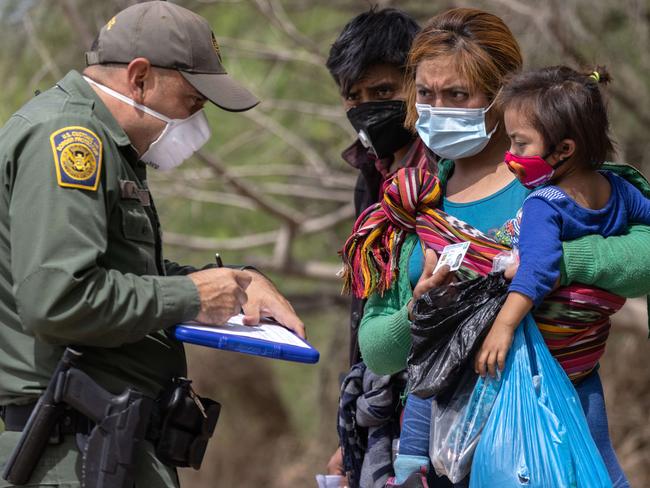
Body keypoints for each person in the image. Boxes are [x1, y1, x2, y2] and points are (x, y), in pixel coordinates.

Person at [342, 8, 650, 488]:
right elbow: (378, 350)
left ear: (500, 95)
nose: (437, 109)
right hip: (449, 453)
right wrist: (422, 310)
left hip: (561, 437)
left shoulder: (555, 180)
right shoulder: (412, 203)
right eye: (425, 94)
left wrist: (560, 263)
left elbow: (642, 259)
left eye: (457, 95)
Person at [0, 2, 303, 487]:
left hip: (103, 448)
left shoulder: (108, 145)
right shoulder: (70, 138)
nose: (198, 122)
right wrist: (192, 298)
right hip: (71, 451)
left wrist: (237, 284)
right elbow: (58, 300)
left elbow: (121, 271)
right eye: (194, 102)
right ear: (140, 78)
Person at [476, 65, 650, 377]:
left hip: (539, 364)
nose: (510, 155)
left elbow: (538, 268)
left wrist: (503, 325)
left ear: (564, 149)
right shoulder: (621, 189)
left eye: (520, 143)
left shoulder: (544, 206)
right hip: (585, 356)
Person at [324, 8, 422, 485]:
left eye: (383, 92)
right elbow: (365, 307)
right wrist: (352, 434)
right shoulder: (370, 178)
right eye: (354, 97)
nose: (367, 107)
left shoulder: (448, 174)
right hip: (381, 407)